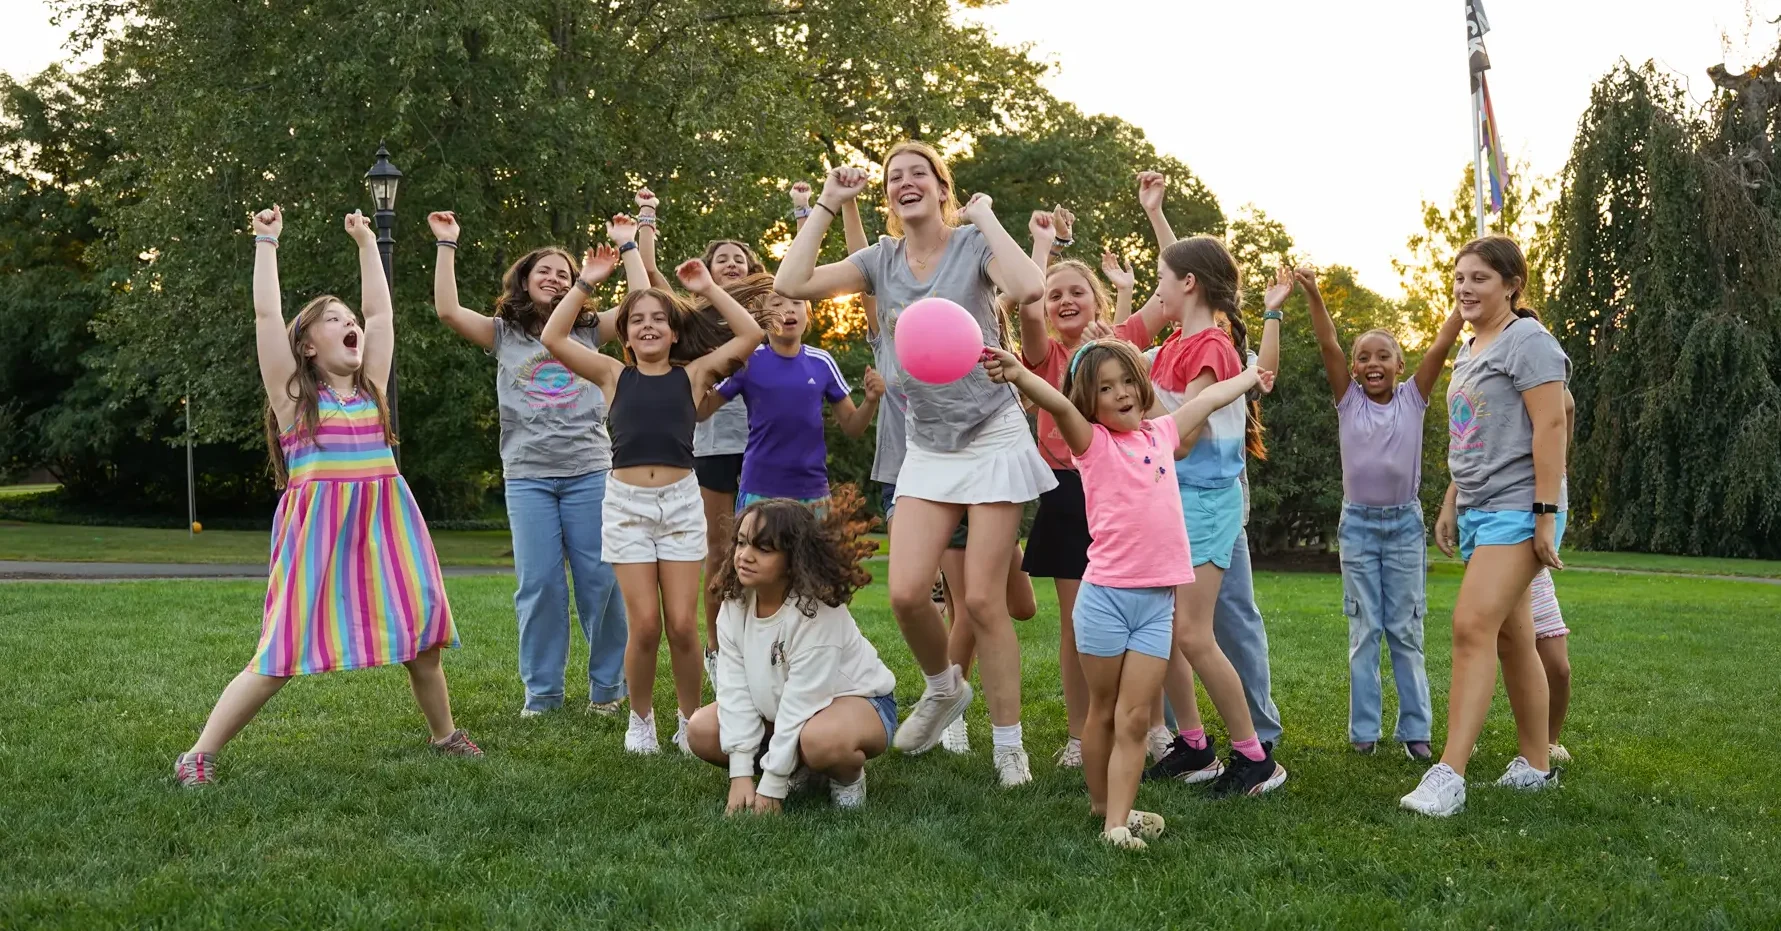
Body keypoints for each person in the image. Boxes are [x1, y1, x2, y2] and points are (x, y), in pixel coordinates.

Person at [777, 145, 1052, 786]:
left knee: (982, 600)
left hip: (991, 434)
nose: (905, 183)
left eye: (917, 174)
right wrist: (826, 201)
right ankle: (944, 687)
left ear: (940, 187)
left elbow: (1029, 286)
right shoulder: (879, 261)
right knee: (905, 593)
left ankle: (1009, 747)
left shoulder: (970, 246)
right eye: (895, 177)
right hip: (928, 445)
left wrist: (984, 218)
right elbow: (792, 283)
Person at [174, 206, 476, 787]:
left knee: (422, 639)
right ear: (307, 347)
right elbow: (266, 314)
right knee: (281, 652)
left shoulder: (373, 391)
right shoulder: (295, 399)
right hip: (320, 535)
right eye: (331, 320)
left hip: (386, 528)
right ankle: (198, 754)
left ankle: (445, 735)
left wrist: (367, 243)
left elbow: (380, 312)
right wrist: (266, 241)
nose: (348, 323)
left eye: (346, 318)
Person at [985, 339, 1272, 847]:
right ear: (1090, 402)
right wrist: (1016, 373)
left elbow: (1206, 401)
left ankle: (1116, 822)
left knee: (1136, 717)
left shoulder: (1161, 432)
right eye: (1105, 388)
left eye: (1125, 382)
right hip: (1105, 603)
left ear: (1141, 387)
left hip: (1156, 606)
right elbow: (1055, 403)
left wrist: (1252, 378)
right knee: (1103, 710)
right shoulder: (1092, 445)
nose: (1119, 394)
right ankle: (1103, 805)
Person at [541, 230, 765, 755]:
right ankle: (640, 719)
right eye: (637, 319)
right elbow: (554, 339)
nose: (647, 325)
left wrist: (709, 288)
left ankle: (689, 722)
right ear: (626, 335)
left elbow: (751, 332)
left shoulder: (694, 375)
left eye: (658, 319)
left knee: (684, 626)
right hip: (626, 509)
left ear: (673, 331)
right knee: (645, 626)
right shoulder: (613, 374)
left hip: (682, 505)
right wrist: (585, 283)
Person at [427, 209, 633, 719]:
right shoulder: (503, 334)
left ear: (580, 282)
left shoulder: (589, 332)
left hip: (589, 470)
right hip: (529, 478)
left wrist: (629, 246)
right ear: (524, 280)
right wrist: (447, 243)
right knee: (539, 585)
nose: (554, 277)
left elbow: (640, 305)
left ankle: (608, 690)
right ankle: (542, 696)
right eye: (544, 271)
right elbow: (449, 311)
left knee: (600, 581)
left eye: (564, 272)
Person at [1403, 235, 1570, 817]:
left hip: (1520, 507)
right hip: (1480, 506)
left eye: (1479, 278)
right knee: (1511, 636)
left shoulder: (1530, 342)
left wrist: (1546, 517)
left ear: (1511, 284)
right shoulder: (1474, 348)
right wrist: (1452, 498)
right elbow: (1478, 436)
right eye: (1459, 278)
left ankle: (1449, 774)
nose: (1465, 288)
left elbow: (1552, 426)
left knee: (1472, 625)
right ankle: (1535, 764)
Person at [1017, 207, 1172, 768]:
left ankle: (1154, 726)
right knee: (1078, 620)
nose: (1063, 300)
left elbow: (1171, 290)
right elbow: (1026, 301)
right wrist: (1041, 247)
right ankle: (1082, 736)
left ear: (1097, 300)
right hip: (1065, 491)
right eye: (1056, 292)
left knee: (1142, 614)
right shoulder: (1046, 354)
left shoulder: (1122, 340)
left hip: (1129, 495)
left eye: (1076, 291)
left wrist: (1154, 214)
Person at [1138, 237, 1288, 798]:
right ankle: (1196, 746)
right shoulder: (1177, 343)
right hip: (1170, 500)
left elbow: (1182, 436)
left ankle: (1256, 759)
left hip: (1204, 500)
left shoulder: (1213, 347)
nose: (1156, 290)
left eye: (1161, 278)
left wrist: (1132, 384)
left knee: (1194, 635)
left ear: (1189, 283)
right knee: (1167, 633)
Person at [1304, 265, 1465, 758]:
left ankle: (1416, 731)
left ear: (1399, 363)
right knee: (1364, 628)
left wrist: (1462, 307)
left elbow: (1439, 346)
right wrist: (1313, 294)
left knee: (1406, 629)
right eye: (1363, 358)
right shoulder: (1348, 401)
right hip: (1357, 528)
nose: (1372, 363)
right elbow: (1328, 342)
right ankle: (1364, 733)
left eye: (1382, 356)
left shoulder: (1414, 400)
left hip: (1402, 528)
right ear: (1353, 368)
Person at [685, 499, 898, 812]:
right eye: (741, 543)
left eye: (763, 548)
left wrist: (771, 787)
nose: (745, 556)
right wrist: (741, 773)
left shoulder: (818, 611)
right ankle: (802, 768)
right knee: (702, 730)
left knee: (821, 740)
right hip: (782, 711)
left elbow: (804, 700)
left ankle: (847, 777)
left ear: (793, 558)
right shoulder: (735, 603)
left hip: (860, 702)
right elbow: (734, 689)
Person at [698, 288, 885, 513]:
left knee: (811, 550)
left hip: (813, 492)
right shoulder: (747, 360)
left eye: (797, 302)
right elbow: (701, 410)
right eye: (776, 304)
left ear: (807, 314)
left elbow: (853, 427)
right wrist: (700, 369)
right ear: (761, 319)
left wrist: (871, 400)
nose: (788, 309)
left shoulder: (822, 361)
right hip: (759, 490)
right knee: (756, 549)